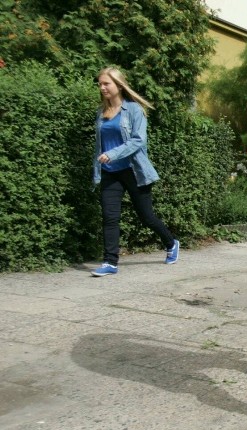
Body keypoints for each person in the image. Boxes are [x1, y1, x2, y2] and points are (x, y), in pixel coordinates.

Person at [91, 67, 179, 277]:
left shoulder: (133, 110)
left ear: (119, 85)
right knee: (109, 217)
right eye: (100, 84)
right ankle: (110, 262)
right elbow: (99, 145)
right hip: (109, 172)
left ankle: (171, 242)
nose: (102, 87)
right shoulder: (101, 113)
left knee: (146, 216)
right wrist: (99, 167)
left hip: (133, 170)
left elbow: (138, 140)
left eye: (106, 83)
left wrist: (113, 154)